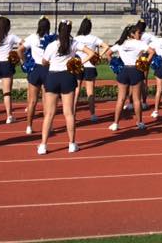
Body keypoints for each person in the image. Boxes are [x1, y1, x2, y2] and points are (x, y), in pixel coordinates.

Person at [38, 20, 96, 155]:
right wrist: (78, 62)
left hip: (52, 77)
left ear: (58, 30)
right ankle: (71, 144)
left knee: (49, 114)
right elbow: (92, 53)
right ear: (70, 31)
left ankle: (43, 145)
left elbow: (44, 62)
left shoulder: (52, 45)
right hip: (67, 77)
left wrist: (48, 61)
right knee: (69, 113)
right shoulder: (74, 43)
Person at [109, 24, 154, 132]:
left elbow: (108, 53)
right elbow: (152, 52)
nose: (140, 35)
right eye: (138, 33)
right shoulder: (139, 43)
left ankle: (115, 123)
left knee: (121, 99)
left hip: (123, 70)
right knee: (136, 99)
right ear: (132, 34)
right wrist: (145, 63)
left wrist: (114, 64)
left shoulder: (120, 43)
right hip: (136, 70)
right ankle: (139, 122)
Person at [19, 17, 52, 135]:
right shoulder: (52, 37)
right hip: (48, 69)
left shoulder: (33, 38)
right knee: (46, 101)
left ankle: (29, 126)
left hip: (35, 69)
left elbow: (20, 50)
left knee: (32, 101)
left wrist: (24, 62)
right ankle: (48, 126)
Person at [73, 18, 109, 123]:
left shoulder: (76, 38)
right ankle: (92, 114)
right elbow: (106, 46)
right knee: (90, 92)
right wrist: (99, 56)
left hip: (78, 65)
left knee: (76, 90)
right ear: (90, 27)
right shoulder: (93, 38)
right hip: (90, 65)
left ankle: (73, 113)